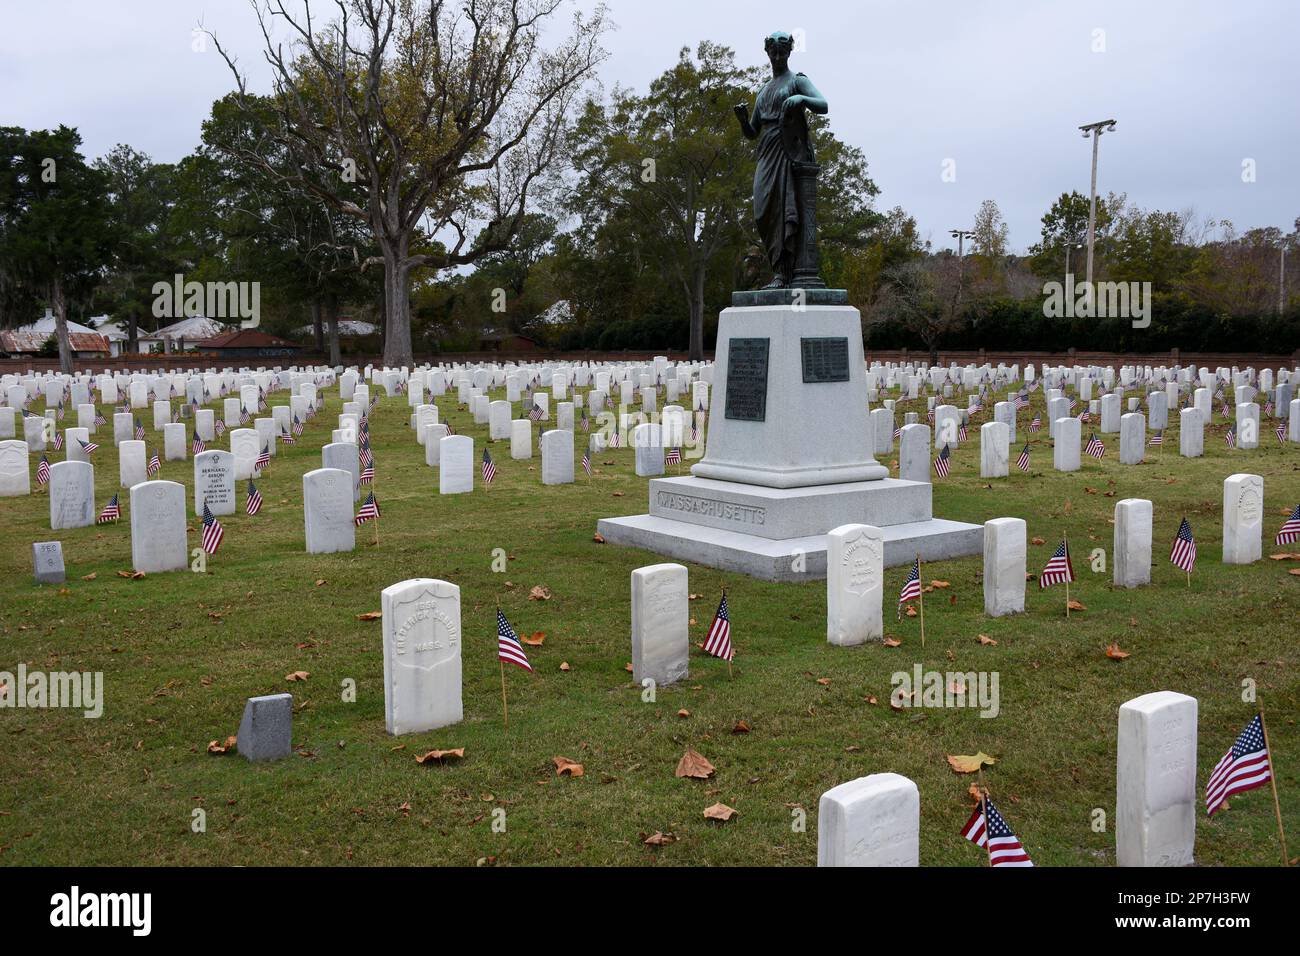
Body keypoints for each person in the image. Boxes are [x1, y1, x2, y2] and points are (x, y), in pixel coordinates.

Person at [733, 31, 828, 289]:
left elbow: (822, 104)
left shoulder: (797, 80)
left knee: (785, 209)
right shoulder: (764, 91)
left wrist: (801, 98)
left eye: (781, 52)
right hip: (767, 149)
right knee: (763, 210)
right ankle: (779, 271)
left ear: (788, 53)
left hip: (789, 150)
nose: (777, 57)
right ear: (767, 53)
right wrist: (743, 121)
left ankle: (783, 274)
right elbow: (753, 131)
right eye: (773, 53)